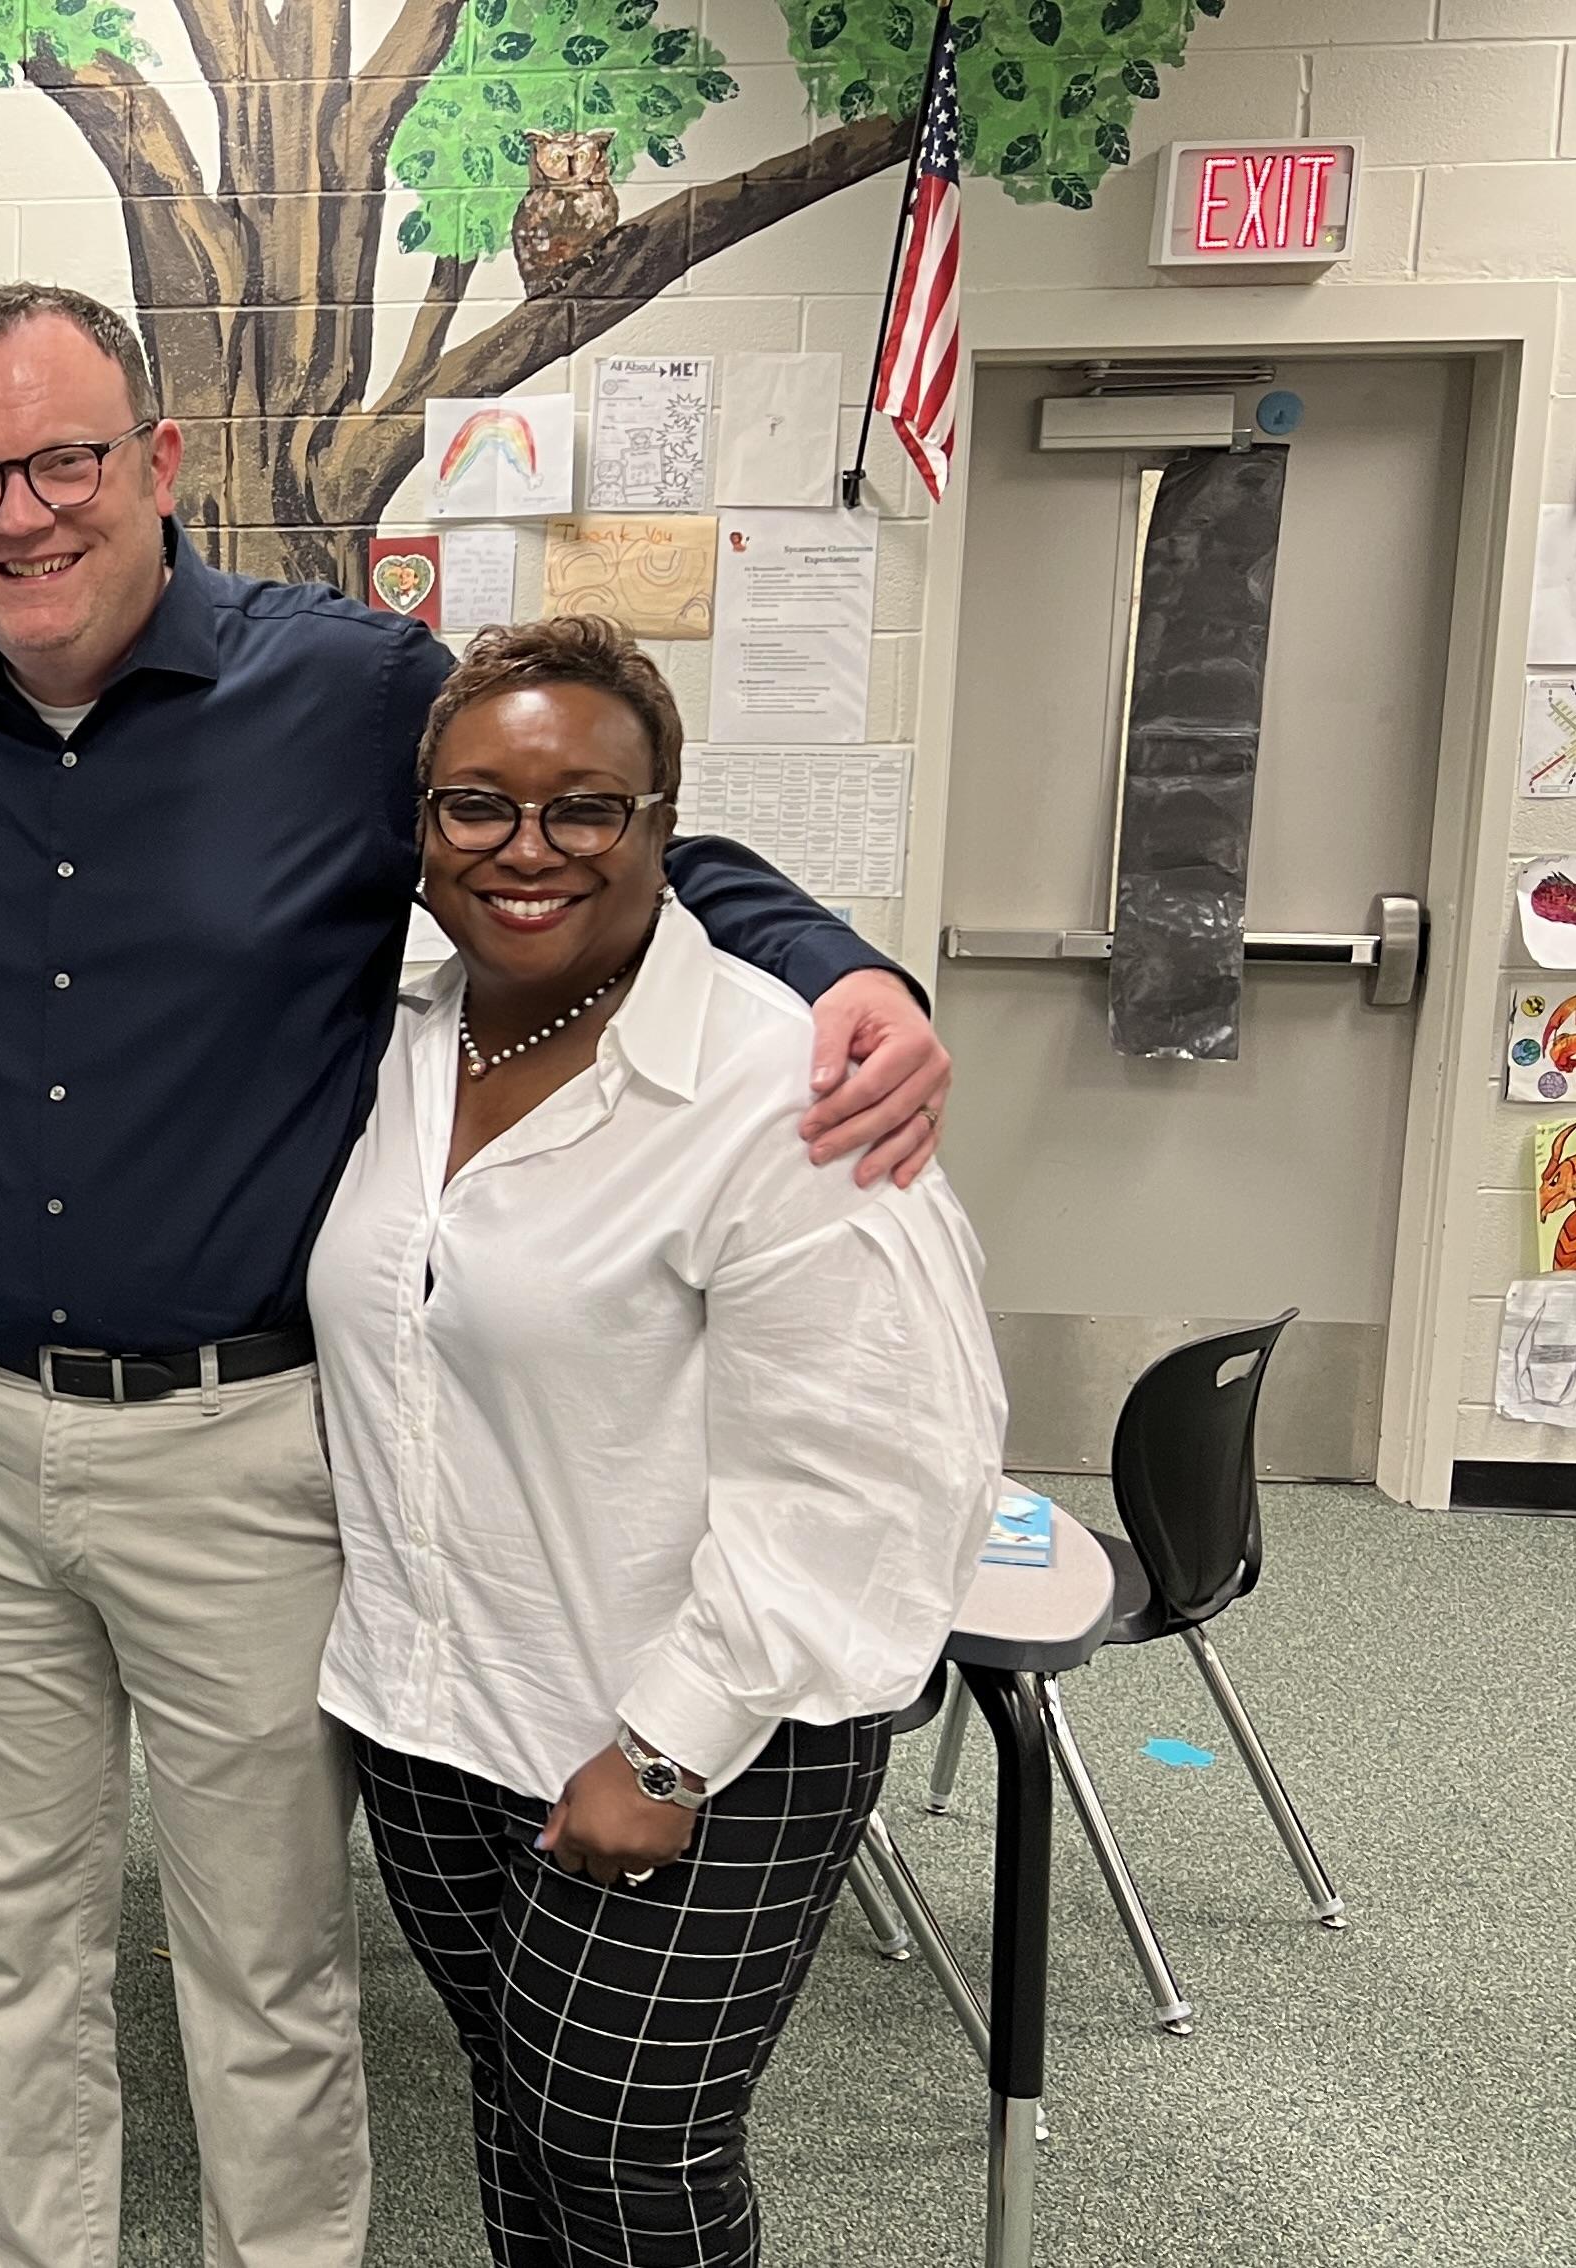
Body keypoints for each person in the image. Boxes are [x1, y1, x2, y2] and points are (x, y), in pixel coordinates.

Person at [0, 280, 955, 2268]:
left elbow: (595, 838)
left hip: (241, 1441)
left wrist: (843, 963)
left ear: (159, 463)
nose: (22, 511)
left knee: (261, 1965)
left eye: (66, 458)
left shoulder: (342, 694)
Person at [313, 617, 1004, 2264]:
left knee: (625, 2150)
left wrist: (672, 1743)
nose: (527, 850)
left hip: (700, 1734)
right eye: (477, 805)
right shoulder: (400, 1045)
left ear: (661, 828)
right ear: (422, 830)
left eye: (585, 810)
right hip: (441, 1711)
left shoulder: (785, 1091)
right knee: (516, 2117)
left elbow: (882, 1463)